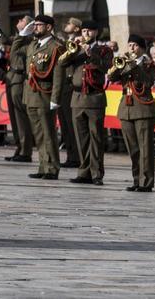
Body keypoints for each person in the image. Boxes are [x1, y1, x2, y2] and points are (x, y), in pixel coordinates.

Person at [55, 20, 110, 185]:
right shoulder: (76, 49)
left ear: (96, 33)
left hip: (94, 97)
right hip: (77, 98)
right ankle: (84, 171)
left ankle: (96, 174)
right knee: (81, 137)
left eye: (89, 31)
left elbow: (105, 67)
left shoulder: (103, 50)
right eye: (84, 31)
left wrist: (90, 53)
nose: (85, 34)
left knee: (96, 137)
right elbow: (61, 63)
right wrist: (73, 51)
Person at [15, 15, 62, 179]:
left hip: (45, 94)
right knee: (39, 134)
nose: (35, 28)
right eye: (34, 25)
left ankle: (52, 168)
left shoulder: (55, 47)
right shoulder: (32, 45)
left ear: (49, 27)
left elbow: (58, 74)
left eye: (39, 25)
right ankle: (43, 166)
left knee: (48, 133)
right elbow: (15, 52)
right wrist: (22, 35)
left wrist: (55, 98)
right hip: (31, 94)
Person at [111, 34, 155, 192]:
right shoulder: (125, 62)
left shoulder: (148, 64)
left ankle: (146, 182)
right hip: (126, 108)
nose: (131, 48)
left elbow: (147, 81)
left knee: (145, 148)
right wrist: (118, 65)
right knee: (133, 149)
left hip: (143, 109)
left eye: (135, 45)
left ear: (142, 48)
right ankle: (137, 180)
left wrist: (133, 66)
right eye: (129, 45)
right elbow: (112, 77)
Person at [3, 15, 35, 163]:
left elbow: (15, 51)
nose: (18, 22)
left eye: (21, 20)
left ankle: (25, 151)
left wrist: (22, 35)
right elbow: (4, 40)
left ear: (27, 25)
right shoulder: (19, 38)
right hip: (11, 79)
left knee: (21, 117)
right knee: (14, 118)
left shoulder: (29, 40)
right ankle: (19, 147)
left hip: (19, 79)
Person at [56, 17, 81, 167]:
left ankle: (76, 157)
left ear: (77, 28)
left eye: (70, 24)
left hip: (71, 84)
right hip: (63, 85)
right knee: (64, 123)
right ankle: (71, 155)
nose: (67, 25)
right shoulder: (66, 41)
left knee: (72, 124)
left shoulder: (78, 42)